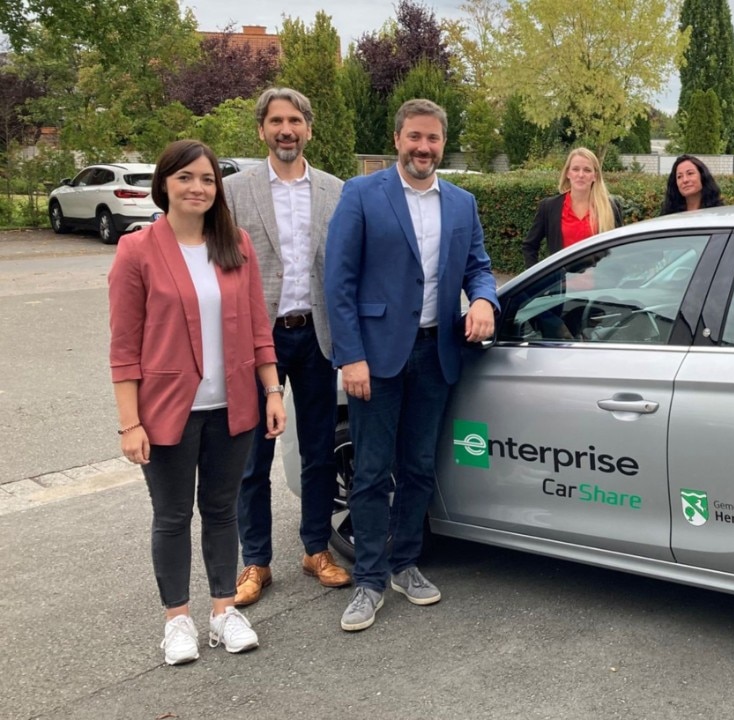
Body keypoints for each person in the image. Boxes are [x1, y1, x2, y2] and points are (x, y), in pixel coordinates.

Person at [324, 98, 499, 632]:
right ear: (397, 138)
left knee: (420, 467)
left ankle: (405, 564)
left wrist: (486, 300)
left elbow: (479, 267)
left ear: (444, 143)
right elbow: (339, 283)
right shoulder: (361, 194)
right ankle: (369, 580)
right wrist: (350, 356)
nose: (424, 147)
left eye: (434, 139)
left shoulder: (462, 203)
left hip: (435, 352)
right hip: (374, 358)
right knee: (373, 471)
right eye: (415, 137)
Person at [108, 139, 286, 665]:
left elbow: (258, 327)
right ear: (164, 184)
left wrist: (272, 389)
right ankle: (177, 619)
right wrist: (128, 423)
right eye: (186, 177)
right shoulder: (137, 250)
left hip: (232, 406)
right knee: (171, 515)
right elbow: (123, 346)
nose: (197, 188)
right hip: (167, 411)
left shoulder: (236, 244)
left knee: (222, 511)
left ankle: (223, 612)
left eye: (207, 179)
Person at [225, 87, 350, 608]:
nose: (286, 130)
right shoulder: (234, 191)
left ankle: (316, 548)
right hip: (260, 337)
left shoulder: (336, 190)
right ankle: (255, 561)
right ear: (261, 130)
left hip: (317, 335)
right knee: (253, 454)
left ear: (309, 129)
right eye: (276, 121)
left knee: (319, 448)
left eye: (295, 120)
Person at [521, 147, 622, 269]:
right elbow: (530, 246)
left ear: (595, 176)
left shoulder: (610, 207)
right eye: (575, 169)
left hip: (602, 286)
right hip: (562, 286)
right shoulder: (549, 207)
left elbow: (619, 249)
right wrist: (536, 280)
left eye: (587, 170)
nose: (581, 175)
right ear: (568, 173)